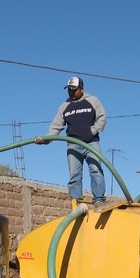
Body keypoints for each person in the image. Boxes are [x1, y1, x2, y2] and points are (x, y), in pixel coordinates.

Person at [36, 76, 108, 207]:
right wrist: (45, 139)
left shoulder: (92, 100)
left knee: (95, 170)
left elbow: (102, 118)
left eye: (74, 90)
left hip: (91, 143)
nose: (71, 92)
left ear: (81, 89)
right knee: (74, 174)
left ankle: (99, 200)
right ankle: (76, 203)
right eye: (69, 89)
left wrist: (93, 131)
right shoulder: (65, 106)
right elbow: (56, 127)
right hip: (73, 144)